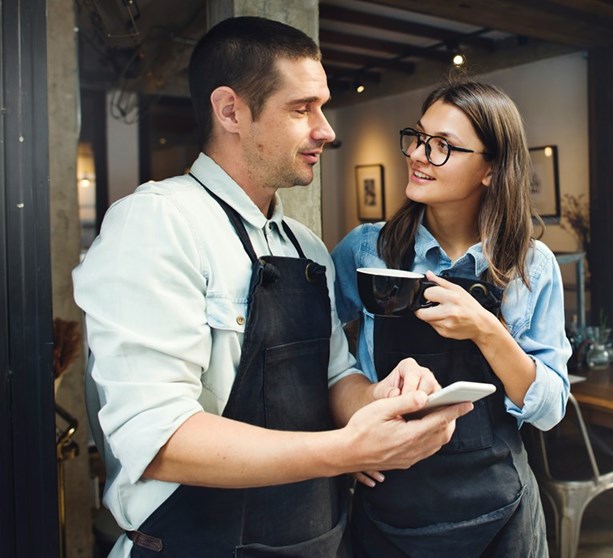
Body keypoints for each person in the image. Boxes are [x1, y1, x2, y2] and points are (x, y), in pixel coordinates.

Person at [73, 17, 472, 558]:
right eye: (302, 108)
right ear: (231, 110)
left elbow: (335, 376)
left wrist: (378, 400)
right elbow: (159, 440)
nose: (326, 129)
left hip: (315, 540)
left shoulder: (305, 246)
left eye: (323, 107)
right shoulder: (156, 223)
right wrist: (346, 450)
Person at [331, 79, 572, 557]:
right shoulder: (366, 248)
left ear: (489, 169)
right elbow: (313, 352)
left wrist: (486, 329)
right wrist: (343, 437)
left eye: (443, 146)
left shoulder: (532, 265)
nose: (419, 154)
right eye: (419, 138)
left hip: (501, 514)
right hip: (391, 507)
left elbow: (549, 411)